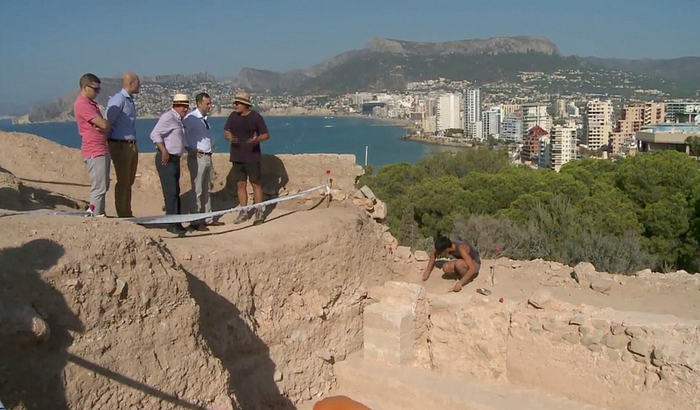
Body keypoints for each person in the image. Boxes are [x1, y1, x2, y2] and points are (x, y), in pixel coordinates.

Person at [224, 91, 270, 225]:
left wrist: (257, 140)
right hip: (237, 155)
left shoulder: (256, 117)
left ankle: (259, 211)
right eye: (234, 103)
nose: (234, 105)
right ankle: (243, 211)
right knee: (240, 184)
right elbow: (226, 132)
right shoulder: (232, 117)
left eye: (237, 103)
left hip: (252, 156)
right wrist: (228, 136)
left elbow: (266, 135)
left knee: (256, 183)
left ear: (245, 105)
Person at [150, 93, 190, 236]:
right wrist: (164, 151)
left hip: (174, 158)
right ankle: (172, 224)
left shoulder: (178, 120)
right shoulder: (168, 117)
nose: (185, 109)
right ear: (176, 106)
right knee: (171, 192)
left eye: (186, 106)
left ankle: (176, 222)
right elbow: (154, 134)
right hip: (166, 158)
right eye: (183, 106)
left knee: (175, 191)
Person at [184, 92, 224, 231]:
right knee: (198, 189)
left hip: (207, 156)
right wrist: (190, 150)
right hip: (198, 157)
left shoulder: (203, 119)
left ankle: (208, 218)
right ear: (199, 103)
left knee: (207, 188)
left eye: (210, 103)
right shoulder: (191, 119)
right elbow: (182, 135)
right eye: (207, 103)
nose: (209, 106)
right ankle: (195, 220)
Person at [73, 73, 111, 216]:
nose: (97, 92)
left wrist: (103, 125)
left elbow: (103, 125)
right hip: (94, 150)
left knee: (104, 185)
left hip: (102, 148)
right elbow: (103, 124)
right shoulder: (82, 104)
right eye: (95, 89)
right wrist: (104, 125)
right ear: (84, 87)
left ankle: (100, 212)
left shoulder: (91, 104)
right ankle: (95, 215)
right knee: (99, 187)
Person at [105, 72, 140, 218]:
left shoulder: (129, 100)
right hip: (120, 144)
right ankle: (122, 212)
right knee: (123, 180)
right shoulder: (118, 99)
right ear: (131, 83)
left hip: (131, 144)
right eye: (138, 83)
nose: (140, 86)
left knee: (129, 181)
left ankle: (127, 211)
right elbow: (108, 121)